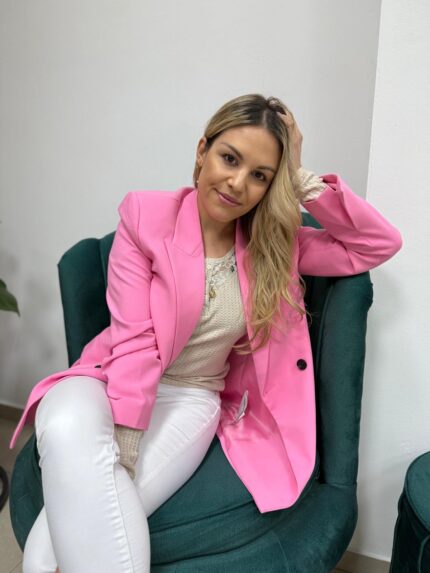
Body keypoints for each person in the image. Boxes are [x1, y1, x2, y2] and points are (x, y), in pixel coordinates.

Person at [12, 94, 403, 573]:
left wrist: (300, 178)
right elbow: (134, 338)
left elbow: (375, 244)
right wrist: (126, 441)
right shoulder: (145, 215)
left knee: (51, 546)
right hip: (110, 378)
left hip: (190, 397)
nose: (238, 183)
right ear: (203, 151)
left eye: (260, 175)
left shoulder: (275, 246)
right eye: (230, 159)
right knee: (63, 420)